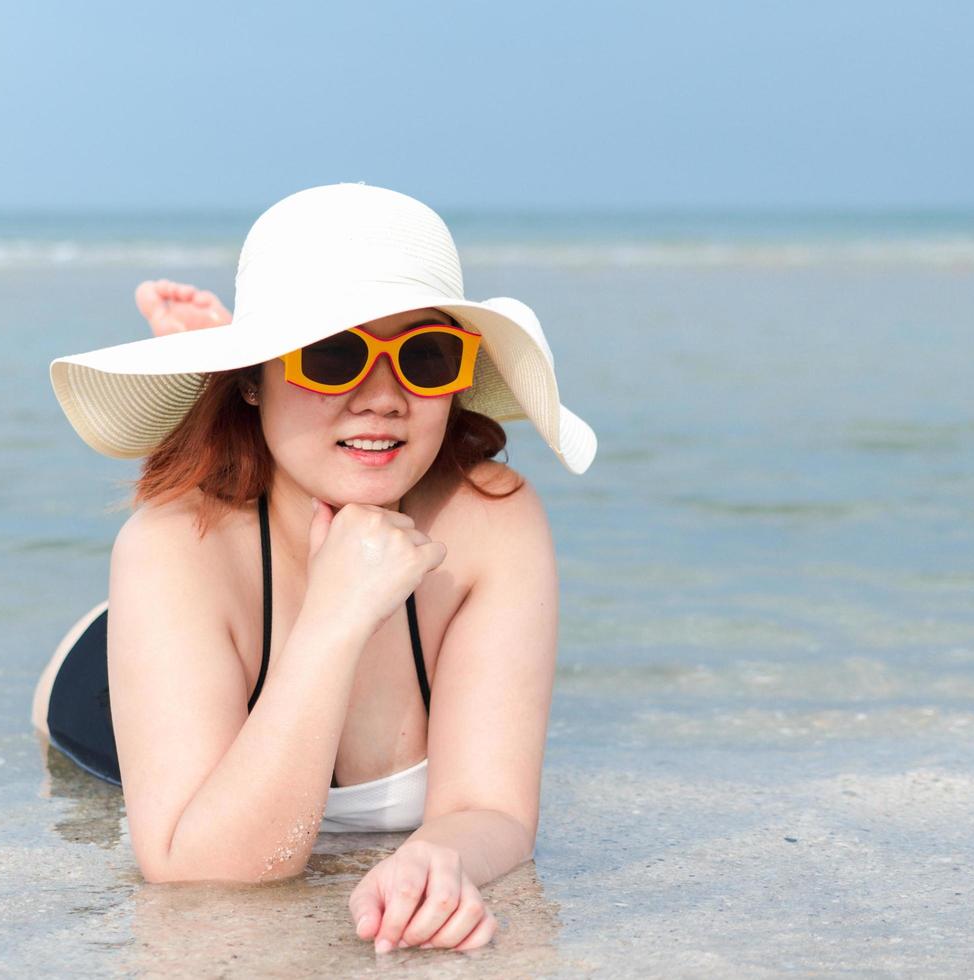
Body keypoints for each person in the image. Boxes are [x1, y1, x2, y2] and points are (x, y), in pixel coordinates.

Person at [32, 183, 596, 953]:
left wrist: (436, 858)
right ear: (252, 380)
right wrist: (336, 617)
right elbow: (204, 872)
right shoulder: (169, 545)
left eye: (425, 357)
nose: (385, 398)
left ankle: (263, 364)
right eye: (333, 356)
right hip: (106, 683)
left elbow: (493, 811)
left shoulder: (493, 519)